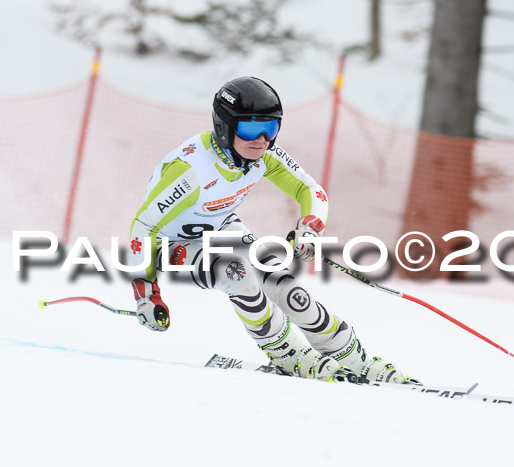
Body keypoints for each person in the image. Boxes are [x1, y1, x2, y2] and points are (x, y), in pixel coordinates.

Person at [128, 76, 415, 384]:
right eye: (251, 128)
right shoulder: (191, 171)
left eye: (271, 128)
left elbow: (310, 189)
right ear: (225, 126)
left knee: (287, 288)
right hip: (171, 244)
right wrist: (145, 293)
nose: (262, 139)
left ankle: (354, 359)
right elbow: (143, 227)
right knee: (234, 271)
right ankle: (288, 354)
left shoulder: (263, 156)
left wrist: (310, 226)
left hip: (220, 226)